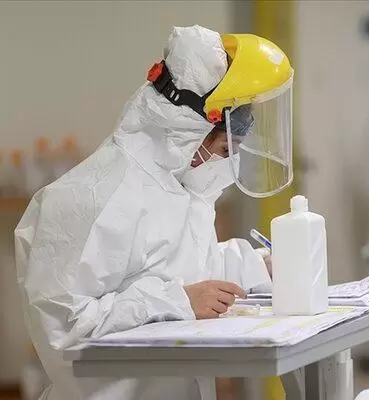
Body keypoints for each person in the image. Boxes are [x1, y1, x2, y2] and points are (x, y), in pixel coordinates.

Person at [14, 25, 294, 400]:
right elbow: (64, 327)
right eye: (226, 150)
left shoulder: (178, 186)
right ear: (188, 131)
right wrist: (177, 301)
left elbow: (184, 267)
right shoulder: (88, 198)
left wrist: (259, 266)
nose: (229, 164)